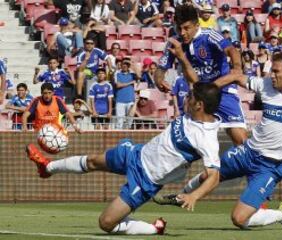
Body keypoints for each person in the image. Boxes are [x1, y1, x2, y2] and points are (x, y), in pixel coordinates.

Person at [153, 52, 282, 230]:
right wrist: (210, 88)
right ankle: (181, 196)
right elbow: (237, 77)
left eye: (276, 71)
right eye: (271, 71)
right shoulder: (266, 85)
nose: (271, 75)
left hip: (269, 166)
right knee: (209, 175)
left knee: (239, 219)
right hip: (247, 152)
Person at [26, 82, 222, 236]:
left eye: (190, 97)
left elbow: (214, 176)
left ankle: (155, 228)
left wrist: (193, 196)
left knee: (106, 223)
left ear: (199, 104)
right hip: (136, 153)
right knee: (93, 161)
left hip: (146, 180)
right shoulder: (192, 113)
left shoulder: (207, 138)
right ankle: (47, 167)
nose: (185, 99)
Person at [155, 4, 247, 146]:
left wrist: (237, 67)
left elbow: (231, 50)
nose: (182, 32)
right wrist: (158, 79)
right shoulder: (174, 42)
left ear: (197, 25)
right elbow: (161, 67)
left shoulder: (209, 35)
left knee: (241, 141)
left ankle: (245, 166)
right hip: (198, 95)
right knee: (189, 141)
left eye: (187, 28)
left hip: (223, 91)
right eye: (179, 28)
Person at [114, 58, 138, 129]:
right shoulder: (117, 73)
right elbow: (118, 85)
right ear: (121, 65)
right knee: (119, 121)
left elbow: (139, 76)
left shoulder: (132, 74)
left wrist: (132, 65)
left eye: (126, 64)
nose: (125, 66)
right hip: (120, 101)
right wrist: (130, 82)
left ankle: (127, 136)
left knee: (129, 121)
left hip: (130, 100)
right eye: (123, 64)